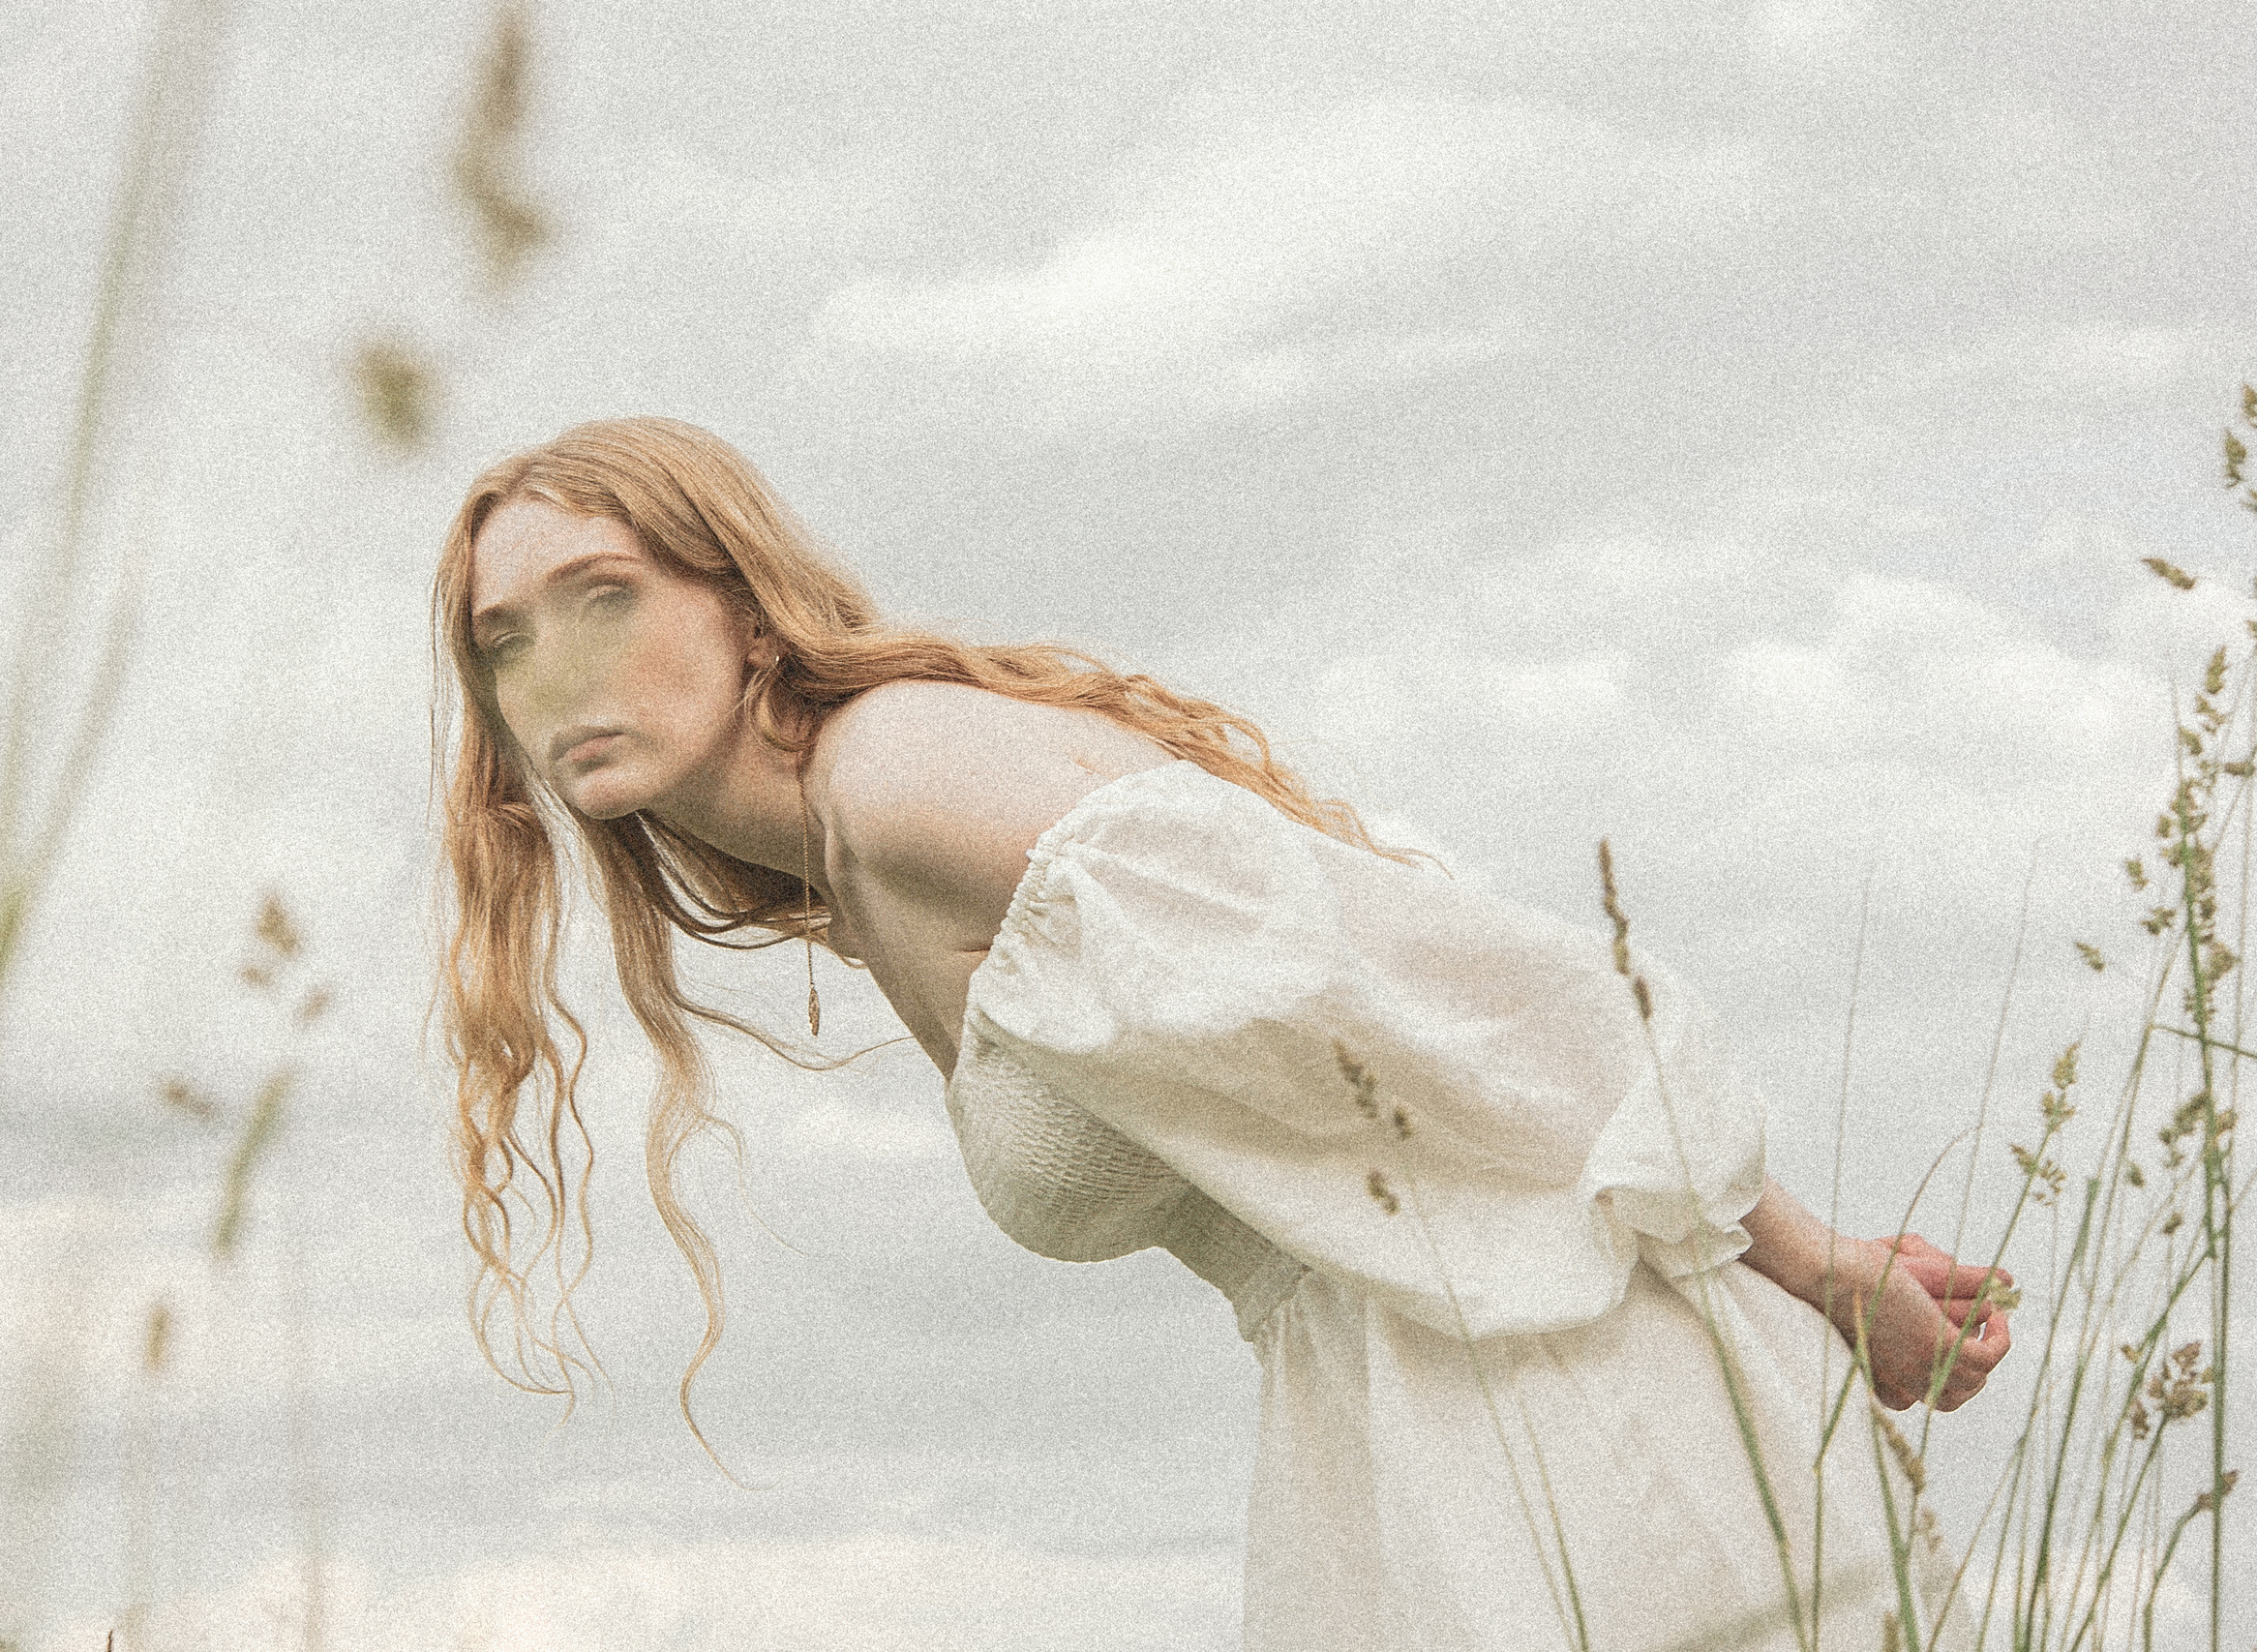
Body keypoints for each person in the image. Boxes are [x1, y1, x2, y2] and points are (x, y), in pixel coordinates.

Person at [433, 417, 2013, 1652]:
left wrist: (1811, 1264)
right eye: (507, 635)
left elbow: (1458, 983)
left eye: (606, 596)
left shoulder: (898, 773)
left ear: (748, 604)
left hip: (1545, 1382)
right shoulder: (850, 866)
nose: (555, 665)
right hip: (1407, 1407)